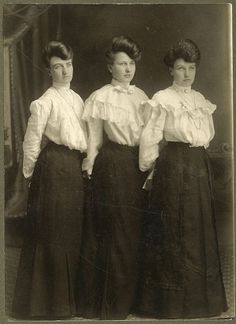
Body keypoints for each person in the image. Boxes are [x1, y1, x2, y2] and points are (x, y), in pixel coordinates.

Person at [137, 39, 228, 318]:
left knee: (197, 229)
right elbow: (150, 138)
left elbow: (206, 136)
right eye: (180, 68)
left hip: (198, 166)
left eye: (191, 67)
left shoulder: (200, 100)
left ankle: (202, 301)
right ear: (171, 71)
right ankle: (171, 304)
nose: (187, 73)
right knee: (174, 229)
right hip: (174, 167)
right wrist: (150, 169)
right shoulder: (163, 99)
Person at [12, 41, 87, 319]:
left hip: (74, 168)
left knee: (71, 231)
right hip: (53, 168)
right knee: (52, 233)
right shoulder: (44, 102)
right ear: (49, 71)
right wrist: (31, 177)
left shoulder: (78, 99)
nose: (65, 71)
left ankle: (69, 302)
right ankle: (47, 305)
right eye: (58, 67)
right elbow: (31, 142)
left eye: (68, 65)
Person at [77, 35, 149, 320]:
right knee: (114, 232)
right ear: (110, 67)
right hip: (112, 166)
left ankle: (131, 301)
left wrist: (150, 168)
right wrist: (90, 167)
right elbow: (94, 140)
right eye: (122, 64)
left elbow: (149, 138)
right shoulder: (100, 97)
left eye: (131, 63)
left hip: (137, 166)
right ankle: (109, 304)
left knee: (133, 232)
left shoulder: (143, 97)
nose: (128, 69)